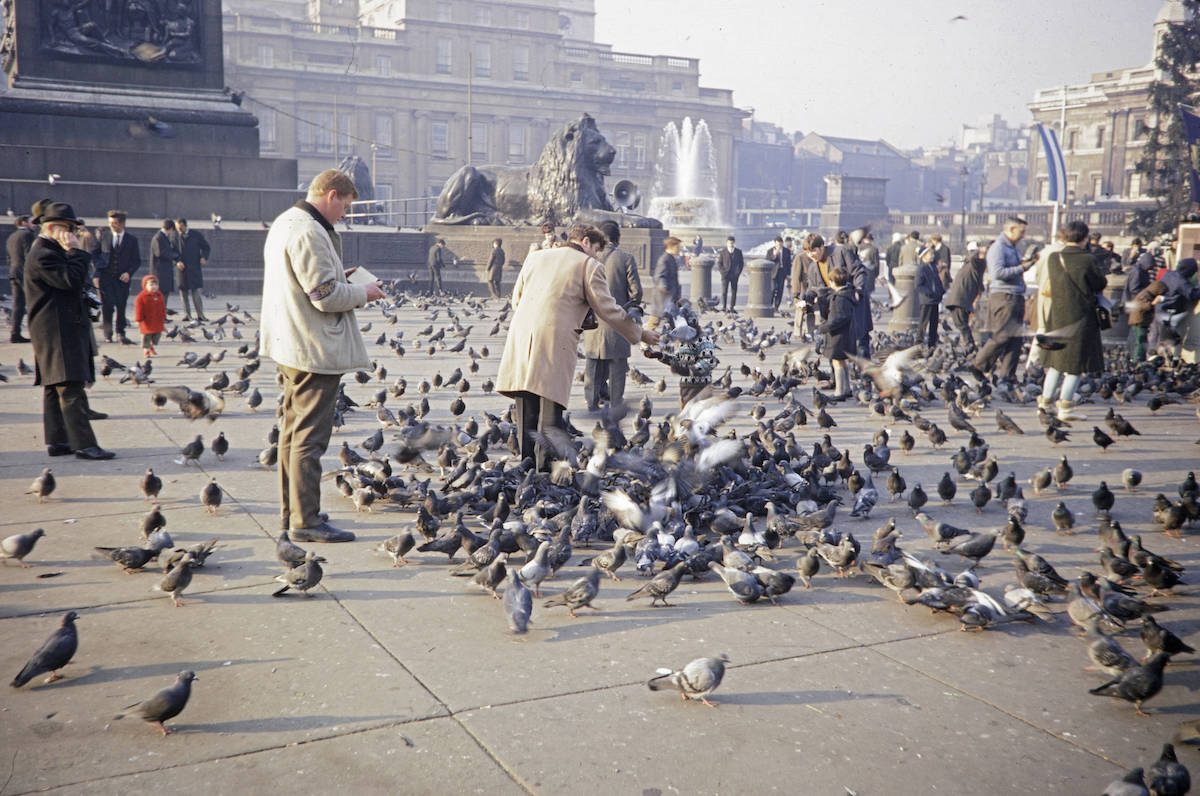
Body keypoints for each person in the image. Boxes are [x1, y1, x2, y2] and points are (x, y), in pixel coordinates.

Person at [261, 169, 386, 542]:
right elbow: (325, 297)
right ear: (332, 195)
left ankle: (294, 511)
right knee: (309, 439)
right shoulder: (309, 231)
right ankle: (306, 522)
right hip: (312, 348)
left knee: (291, 433)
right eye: (345, 206)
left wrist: (340, 277)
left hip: (290, 342)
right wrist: (365, 293)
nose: (345, 214)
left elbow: (308, 283)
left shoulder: (287, 221)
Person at [497, 223, 659, 471]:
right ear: (585, 241)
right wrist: (641, 334)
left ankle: (526, 467)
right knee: (550, 403)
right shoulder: (588, 265)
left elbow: (516, 298)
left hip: (521, 335)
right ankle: (543, 470)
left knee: (526, 400)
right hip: (554, 338)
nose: (596, 255)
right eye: (595, 249)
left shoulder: (536, 256)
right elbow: (608, 310)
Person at [23, 202, 114, 460]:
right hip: (57, 330)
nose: (73, 233)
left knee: (55, 385)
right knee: (70, 385)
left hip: (54, 327)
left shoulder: (47, 249)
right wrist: (76, 251)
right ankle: (85, 445)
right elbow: (70, 281)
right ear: (52, 228)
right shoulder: (45, 253)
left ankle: (58, 440)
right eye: (69, 228)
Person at [1038, 220, 1106, 421]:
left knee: (1056, 362)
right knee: (1076, 364)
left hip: (1057, 316)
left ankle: (1045, 403)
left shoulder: (1053, 257)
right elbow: (1099, 283)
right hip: (1081, 317)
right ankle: (1065, 408)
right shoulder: (1087, 259)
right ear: (1085, 238)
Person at [581, 220, 643, 412]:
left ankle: (591, 402)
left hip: (592, 319)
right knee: (617, 365)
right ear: (618, 237)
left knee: (593, 362)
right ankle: (616, 403)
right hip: (618, 319)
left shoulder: (588, 259)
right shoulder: (626, 258)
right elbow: (636, 293)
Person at [971, 217, 1033, 383]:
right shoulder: (998, 248)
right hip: (1004, 297)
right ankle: (979, 364)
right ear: (1011, 229)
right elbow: (997, 273)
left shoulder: (1012, 248)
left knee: (1015, 339)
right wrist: (1022, 267)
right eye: (1021, 231)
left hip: (1015, 296)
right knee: (1002, 335)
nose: (1023, 235)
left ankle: (1007, 375)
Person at [94, 209, 141, 344]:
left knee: (121, 306)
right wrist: (100, 266)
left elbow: (136, 260)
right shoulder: (104, 236)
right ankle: (108, 334)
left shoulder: (132, 240)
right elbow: (94, 253)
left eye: (114, 223)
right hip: (106, 278)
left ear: (122, 224)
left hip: (122, 280)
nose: (111, 225)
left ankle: (121, 333)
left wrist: (129, 273)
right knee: (107, 307)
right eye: (110, 223)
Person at [1132, 257, 1200, 351]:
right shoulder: (1181, 281)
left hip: (1158, 308)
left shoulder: (1168, 274)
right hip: (1169, 311)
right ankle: (1162, 357)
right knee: (1166, 337)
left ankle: (1151, 357)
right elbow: (1192, 295)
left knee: (1155, 334)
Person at [818, 266, 855, 400]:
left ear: (833, 282)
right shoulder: (847, 294)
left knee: (837, 362)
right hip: (845, 335)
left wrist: (825, 327)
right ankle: (847, 388)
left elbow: (840, 318)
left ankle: (840, 391)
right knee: (842, 362)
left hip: (838, 336)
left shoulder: (839, 298)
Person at [944, 240, 986, 350]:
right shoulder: (970, 263)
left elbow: (974, 259)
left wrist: (976, 251)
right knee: (960, 323)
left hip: (961, 298)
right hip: (959, 297)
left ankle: (970, 345)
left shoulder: (976, 263)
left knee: (961, 323)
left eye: (972, 251)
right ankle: (968, 344)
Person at [1123, 244, 1156, 362]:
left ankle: (1132, 354)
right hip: (1134, 303)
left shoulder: (1140, 269)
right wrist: (1147, 294)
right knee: (1137, 329)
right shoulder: (1137, 271)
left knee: (1134, 330)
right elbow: (1134, 289)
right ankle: (1135, 356)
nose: (1151, 268)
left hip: (1134, 302)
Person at [6, 214, 35, 342]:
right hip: (24, 272)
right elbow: (29, 256)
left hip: (13, 272)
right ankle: (37, 333)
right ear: (24, 223)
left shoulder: (11, 237)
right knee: (33, 302)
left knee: (17, 304)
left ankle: (15, 333)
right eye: (31, 222)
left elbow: (9, 258)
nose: (34, 224)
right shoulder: (28, 235)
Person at [175, 218, 210, 321]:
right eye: (177, 228)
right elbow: (171, 251)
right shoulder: (175, 236)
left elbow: (206, 247)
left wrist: (204, 257)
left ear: (185, 225)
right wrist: (176, 261)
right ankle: (188, 315)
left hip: (194, 267)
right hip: (181, 269)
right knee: (183, 292)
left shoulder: (196, 235)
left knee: (196, 292)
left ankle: (200, 315)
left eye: (180, 228)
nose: (179, 230)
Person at [915, 246, 944, 349]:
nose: (932, 256)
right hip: (926, 300)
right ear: (923, 256)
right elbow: (918, 285)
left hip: (934, 300)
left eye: (932, 254)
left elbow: (938, 282)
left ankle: (932, 344)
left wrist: (941, 291)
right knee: (923, 323)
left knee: (934, 324)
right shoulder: (922, 268)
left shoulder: (933, 267)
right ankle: (918, 345)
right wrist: (929, 292)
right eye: (930, 254)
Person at [149, 218, 179, 309]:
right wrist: (175, 255)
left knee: (164, 294)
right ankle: (160, 316)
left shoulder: (163, 237)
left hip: (164, 271)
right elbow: (160, 253)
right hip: (160, 272)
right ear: (170, 228)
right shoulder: (158, 237)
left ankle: (162, 315)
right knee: (160, 294)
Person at [133, 274, 166, 358]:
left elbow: (162, 308)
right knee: (146, 336)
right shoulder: (141, 297)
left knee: (156, 336)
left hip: (157, 321)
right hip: (146, 321)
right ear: (145, 286)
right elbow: (138, 309)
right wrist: (138, 319)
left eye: (156, 285)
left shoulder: (159, 295)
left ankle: (151, 345)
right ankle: (146, 350)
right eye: (151, 285)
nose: (154, 287)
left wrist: (163, 318)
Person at [651, 236, 682, 319]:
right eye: (678, 247)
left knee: (670, 321)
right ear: (671, 247)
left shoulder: (671, 258)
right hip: (664, 297)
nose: (680, 249)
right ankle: (642, 332)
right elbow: (659, 276)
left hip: (669, 297)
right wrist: (665, 288)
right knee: (654, 321)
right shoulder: (664, 259)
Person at [716, 236, 744, 312]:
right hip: (725, 275)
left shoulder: (738, 252)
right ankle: (724, 306)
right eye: (729, 242)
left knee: (734, 291)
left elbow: (741, 264)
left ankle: (732, 307)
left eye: (732, 243)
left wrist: (738, 273)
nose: (730, 244)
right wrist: (722, 272)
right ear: (727, 243)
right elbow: (719, 263)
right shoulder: (723, 252)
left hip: (734, 275)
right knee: (724, 292)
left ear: (734, 243)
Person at [767, 236, 792, 314]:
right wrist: (774, 255)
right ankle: (770, 305)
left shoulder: (786, 251)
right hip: (773, 272)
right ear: (775, 243)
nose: (779, 246)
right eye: (777, 244)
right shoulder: (770, 251)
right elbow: (767, 262)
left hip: (782, 272)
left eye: (780, 244)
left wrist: (788, 274)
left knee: (780, 290)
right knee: (773, 289)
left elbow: (788, 263)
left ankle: (776, 307)